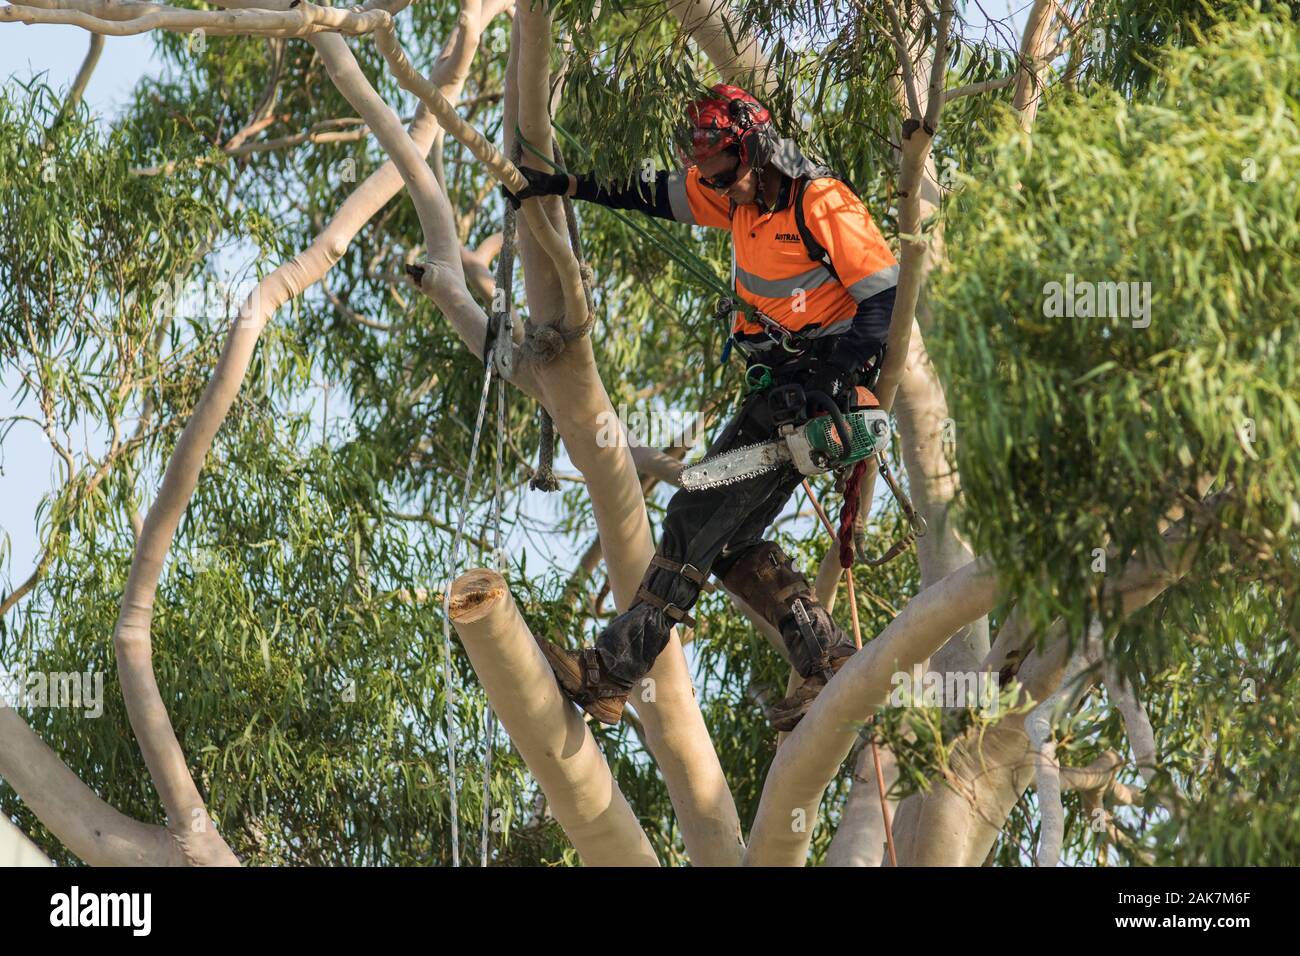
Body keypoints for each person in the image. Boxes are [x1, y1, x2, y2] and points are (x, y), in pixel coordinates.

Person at [505, 84, 899, 731]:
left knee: (693, 513)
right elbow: (650, 192)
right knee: (729, 540)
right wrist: (563, 185)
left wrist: (829, 376)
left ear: (758, 150)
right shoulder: (733, 196)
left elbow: (884, 301)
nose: (723, 188)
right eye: (712, 176)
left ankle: (612, 672)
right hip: (781, 392)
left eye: (729, 173)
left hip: (820, 393)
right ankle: (826, 658)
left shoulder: (819, 200)